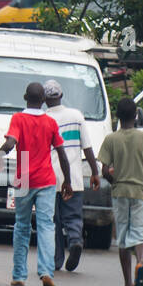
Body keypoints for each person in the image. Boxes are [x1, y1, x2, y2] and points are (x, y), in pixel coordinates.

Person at [0, 82, 73, 286]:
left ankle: (19, 274)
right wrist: (67, 180)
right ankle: (46, 272)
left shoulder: (18, 119)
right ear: (44, 102)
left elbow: (11, 143)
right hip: (46, 180)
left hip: (23, 179)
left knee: (21, 225)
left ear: (24, 97)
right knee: (46, 226)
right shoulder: (50, 122)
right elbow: (62, 154)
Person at [98, 96, 143, 286]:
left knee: (123, 239)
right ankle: (141, 263)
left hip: (121, 192)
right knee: (141, 235)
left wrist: (114, 179)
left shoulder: (111, 139)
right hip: (141, 192)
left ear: (117, 116)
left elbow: (104, 170)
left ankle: (127, 285)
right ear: (136, 115)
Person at [44, 79, 100, 272]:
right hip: (73, 178)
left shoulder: (44, 119)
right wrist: (95, 172)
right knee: (73, 216)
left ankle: (57, 260)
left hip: (50, 179)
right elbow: (87, 147)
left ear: (45, 99)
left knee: (53, 221)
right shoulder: (76, 116)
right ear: (61, 96)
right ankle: (75, 239)